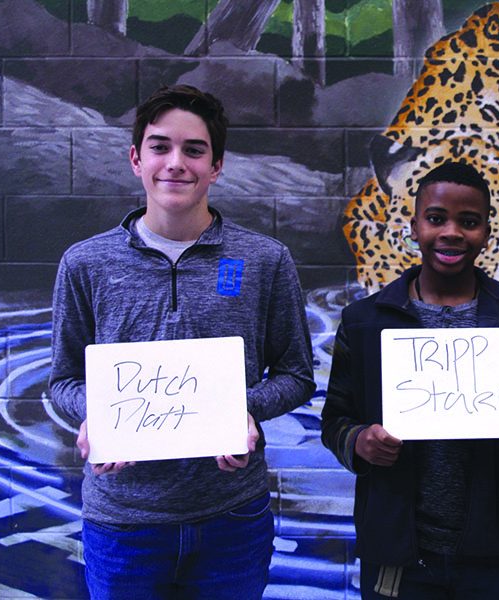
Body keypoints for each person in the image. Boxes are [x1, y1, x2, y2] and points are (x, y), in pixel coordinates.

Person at [49, 84, 315, 599]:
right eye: (159, 146)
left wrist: (245, 411)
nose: (176, 163)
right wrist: (96, 413)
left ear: (217, 165)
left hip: (232, 519)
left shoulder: (264, 260)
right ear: (135, 158)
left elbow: (296, 375)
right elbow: (63, 379)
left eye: (194, 150)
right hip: (122, 522)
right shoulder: (84, 263)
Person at [321, 161, 499, 599]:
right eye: (436, 218)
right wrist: (359, 442)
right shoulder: (365, 321)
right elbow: (335, 420)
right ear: (414, 226)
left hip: (495, 550)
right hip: (397, 550)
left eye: (468, 222)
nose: (451, 232)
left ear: (487, 232)